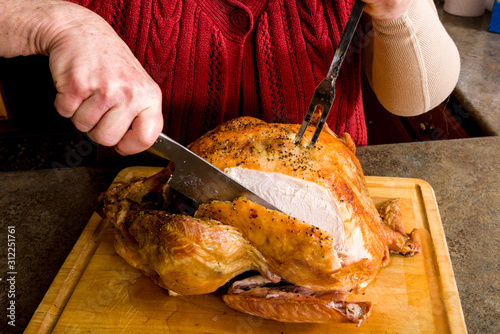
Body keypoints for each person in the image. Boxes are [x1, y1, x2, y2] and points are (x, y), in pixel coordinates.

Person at [0, 0, 460, 155]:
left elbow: (413, 101)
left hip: (331, 202)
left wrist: (402, 12)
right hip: (147, 197)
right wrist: (57, 22)